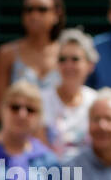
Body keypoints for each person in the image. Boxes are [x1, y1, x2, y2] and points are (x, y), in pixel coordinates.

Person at [0, 0, 65, 116]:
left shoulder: (67, 53)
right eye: (29, 9)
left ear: (57, 14)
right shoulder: (7, 54)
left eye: (42, 9)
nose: (34, 15)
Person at [39, 29, 98, 159]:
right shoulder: (40, 100)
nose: (68, 65)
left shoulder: (97, 101)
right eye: (62, 59)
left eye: (75, 59)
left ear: (90, 65)